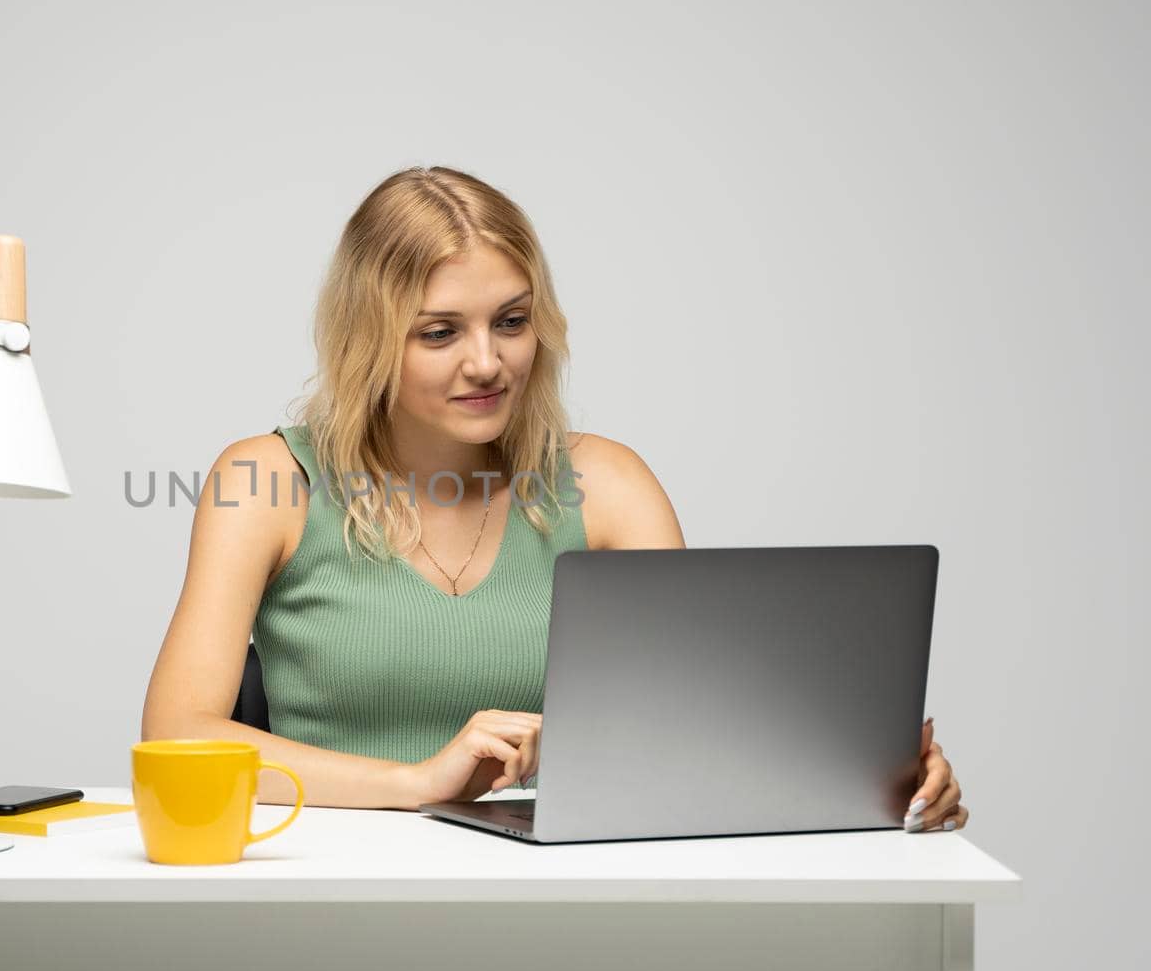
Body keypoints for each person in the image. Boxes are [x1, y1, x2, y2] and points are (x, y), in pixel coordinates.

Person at [139, 166, 968, 833]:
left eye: (511, 321)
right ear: (368, 339)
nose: (487, 361)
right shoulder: (270, 482)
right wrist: (413, 782)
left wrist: (876, 773)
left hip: (561, 891)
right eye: (440, 331)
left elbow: (711, 730)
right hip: (330, 883)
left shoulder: (607, 485)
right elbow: (178, 731)